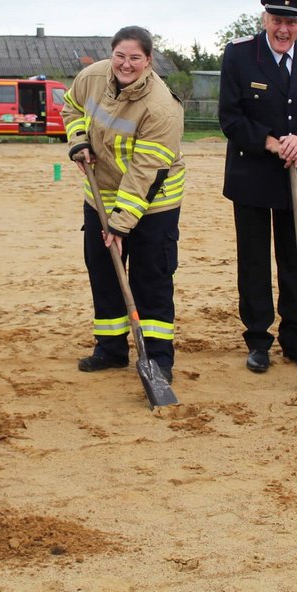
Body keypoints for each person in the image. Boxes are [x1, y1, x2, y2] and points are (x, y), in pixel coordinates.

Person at [218, 0, 297, 373]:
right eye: (277, 21)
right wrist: (271, 143)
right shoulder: (239, 54)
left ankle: (295, 337)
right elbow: (231, 116)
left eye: (292, 22)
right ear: (264, 20)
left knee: (294, 258)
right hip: (252, 173)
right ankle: (258, 339)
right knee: (254, 262)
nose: (284, 29)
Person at [63, 26, 185, 382]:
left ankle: (158, 358)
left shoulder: (162, 108)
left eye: (135, 58)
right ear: (111, 54)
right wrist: (78, 141)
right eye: (120, 56)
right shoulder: (92, 77)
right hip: (99, 195)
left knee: (151, 279)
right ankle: (111, 348)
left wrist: (119, 224)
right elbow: (70, 107)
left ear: (148, 61)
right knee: (104, 274)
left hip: (153, 203)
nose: (125, 64)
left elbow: (146, 172)